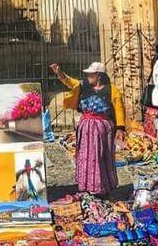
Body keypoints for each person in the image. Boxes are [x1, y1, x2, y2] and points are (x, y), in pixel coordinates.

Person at [50, 61, 125, 196]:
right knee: (86, 155)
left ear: (99, 76)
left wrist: (120, 128)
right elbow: (69, 82)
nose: (88, 76)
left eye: (91, 74)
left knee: (101, 156)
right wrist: (59, 73)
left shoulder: (112, 90)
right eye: (88, 74)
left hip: (103, 128)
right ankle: (86, 185)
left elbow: (119, 108)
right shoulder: (83, 86)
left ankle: (102, 186)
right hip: (86, 127)